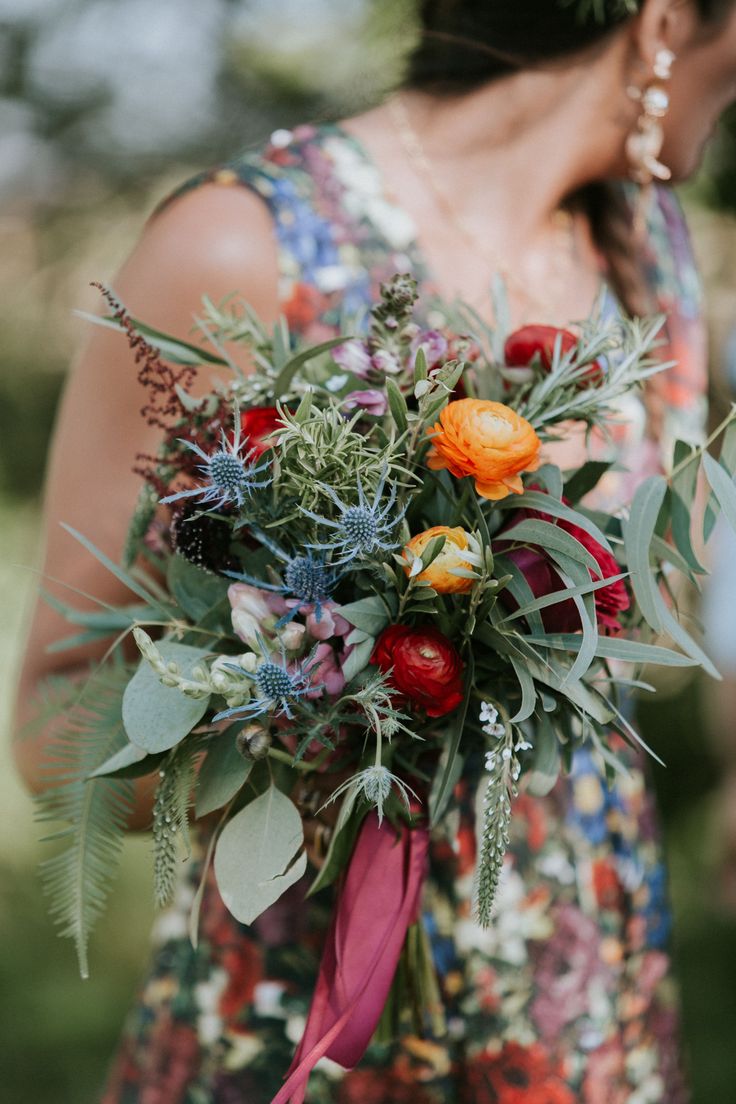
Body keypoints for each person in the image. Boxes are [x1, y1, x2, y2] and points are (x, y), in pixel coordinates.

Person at [13, 0, 736, 1100]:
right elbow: (51, 725)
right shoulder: (241, 245)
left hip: (579, 1000)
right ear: (667, 20)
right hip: (292, 1022)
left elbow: (674, 592)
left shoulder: (647, 256)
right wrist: (311, 700)